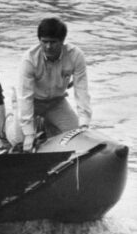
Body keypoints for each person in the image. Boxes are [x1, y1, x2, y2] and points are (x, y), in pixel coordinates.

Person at [16, 17, 91, 152]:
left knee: (78, 137)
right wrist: (28, 133)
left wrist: (84, 122)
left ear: (62, 41)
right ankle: (14, 118)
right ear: (39, 40)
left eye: (53, 42)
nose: (48, 46)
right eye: (44, 42)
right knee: (17, 141)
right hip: (32, 102)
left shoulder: (76, 56)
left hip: (56, 103)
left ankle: (47, 125)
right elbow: (25, 96)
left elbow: (82, 90)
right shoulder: (29, 59)